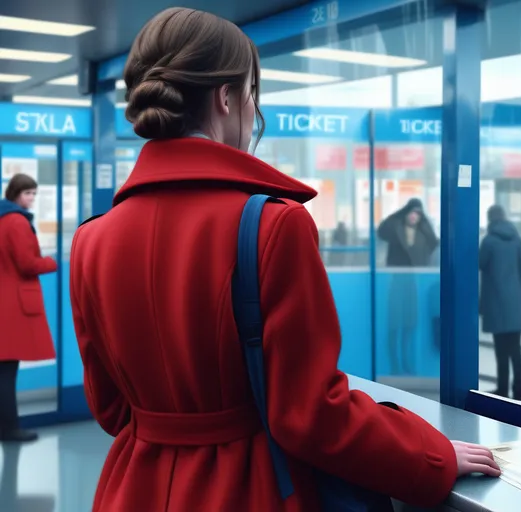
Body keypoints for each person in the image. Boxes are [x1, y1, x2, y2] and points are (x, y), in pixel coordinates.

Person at [70, 9, 499, 512]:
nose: (253, 112)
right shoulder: (273, 225)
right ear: (227, 97)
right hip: (246, 490)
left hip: (131, 489)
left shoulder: (90, 240)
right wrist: (431, 454)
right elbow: (309, 414)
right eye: (252, 94)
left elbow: (110, 408)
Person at [0, 174, 57, 443]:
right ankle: (10, 428)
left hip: (5, 300)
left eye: (34, 194)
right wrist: (51, 262)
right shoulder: (17, 222)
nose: (31, 199)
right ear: (15, 194)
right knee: (7, 371)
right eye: (27, 194)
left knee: (5, 369)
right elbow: (27, 264)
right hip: (14, 304)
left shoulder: (3, 219)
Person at [378, 199, 438, 375]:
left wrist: (425, 223)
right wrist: (398, 213)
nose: (414, 216)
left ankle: (406, 364)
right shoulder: (395, 228)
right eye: (411, 212)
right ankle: (394, 365)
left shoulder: (422, 233)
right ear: (405, 213)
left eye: (418, 214)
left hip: (413, 284)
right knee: (394, 325)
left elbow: (433, 242)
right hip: (396, 283)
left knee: (409, 325)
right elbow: (382, 230)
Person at [480, 206, 521, 401]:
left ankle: (502, 390)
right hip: (515, 300)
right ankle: (519, 391)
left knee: (501, 350)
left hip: (496, 301)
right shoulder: (517, 240)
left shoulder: (489, 241)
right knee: (515, 349)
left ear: (490, 219)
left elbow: (480, 264)